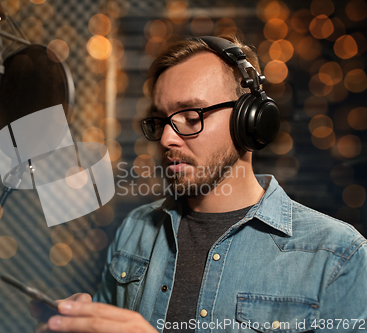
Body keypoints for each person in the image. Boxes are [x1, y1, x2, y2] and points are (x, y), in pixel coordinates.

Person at [36, 36, 367, 332]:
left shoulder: (338, 258)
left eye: (191, 117)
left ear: (249, 121)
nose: (167, 138)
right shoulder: (137, 229)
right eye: (160, 121)